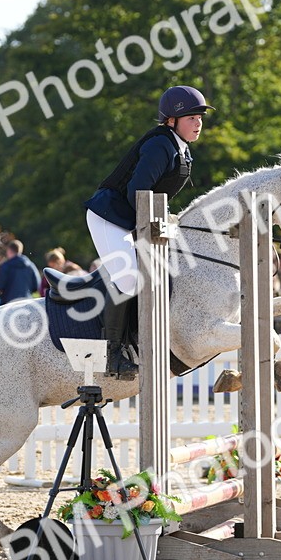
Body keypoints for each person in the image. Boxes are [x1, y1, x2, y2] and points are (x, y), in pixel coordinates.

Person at [83, 84, 213, 379]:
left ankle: (144, 342)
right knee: (130, 279)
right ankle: (112, 355)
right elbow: (138, 192)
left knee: (164, 275)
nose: (198, 123)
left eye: (200, 118)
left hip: (136, 218)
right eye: (192, 118)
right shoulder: (160, 145)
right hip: (110, 217)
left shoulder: (181, 149)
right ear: (171, 120)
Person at [0, 240, 40, 304]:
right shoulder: (31, 266)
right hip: (26, 301)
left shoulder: (5, 266)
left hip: (8, 303)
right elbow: (36, 286)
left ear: (9, 250)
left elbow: (0, 286)